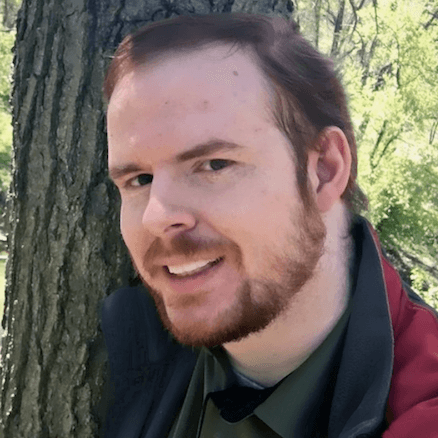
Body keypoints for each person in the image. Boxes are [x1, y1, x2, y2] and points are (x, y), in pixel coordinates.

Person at [100, 13, 438, 438]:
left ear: (324, 171)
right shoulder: (116, 349)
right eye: (139, 180)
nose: (157, 216)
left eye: (214, 164)